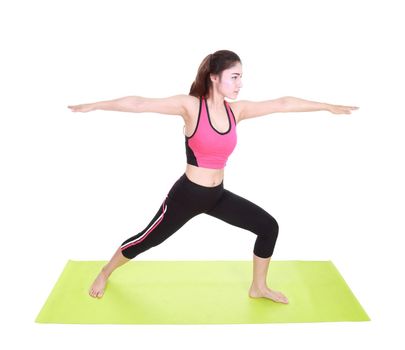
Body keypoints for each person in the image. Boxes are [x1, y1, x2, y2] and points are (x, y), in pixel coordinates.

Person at [68, 49, 358, 304]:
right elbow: (140, 104)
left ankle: (258, 287)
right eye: (234, 76)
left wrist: (325, 106)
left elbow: (282, 103)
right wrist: (95, 104)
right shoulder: (191, 106)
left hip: (217, 195)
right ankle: (105, 272)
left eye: (241, 76)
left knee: (268, 227)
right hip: (187, 196)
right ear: (214, 78)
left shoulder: (237, 111)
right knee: (146, 240)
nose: (240, 83)